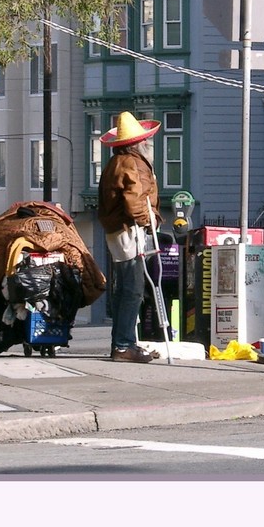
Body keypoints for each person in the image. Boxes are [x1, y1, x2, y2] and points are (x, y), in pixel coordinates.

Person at [97, 111, 163, 363]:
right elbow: (135, 201)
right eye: (145, 141)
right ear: (138, 143)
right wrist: (149, 222)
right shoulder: (132, 163)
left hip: (118, 230)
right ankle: (124, 345)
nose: (147, 145)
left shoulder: (118, 162)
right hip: (129, 231)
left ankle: (122, 343)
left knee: (124, 289)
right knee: (133, 289)